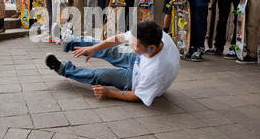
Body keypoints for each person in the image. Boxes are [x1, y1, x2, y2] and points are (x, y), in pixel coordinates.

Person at [44, 20, 180, 107]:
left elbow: (138, 96)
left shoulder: (156, 72)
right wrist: (94, 49)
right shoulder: (152, 35)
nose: (131, 47)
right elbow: (118, 39)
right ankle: (70, 41)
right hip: (141, 61)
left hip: (136, 81)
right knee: (109, 49)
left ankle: (63, 69)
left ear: (150, 48)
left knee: (100, 75)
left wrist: (108, 93)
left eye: (135, 46)